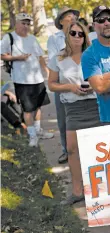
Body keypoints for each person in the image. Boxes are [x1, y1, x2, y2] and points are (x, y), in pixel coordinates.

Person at [48, 22, 100, 206]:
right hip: (73, 108)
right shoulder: (58, 58)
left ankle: (98, 189)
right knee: (72, 149)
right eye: (73, 33)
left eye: (81, 34)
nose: (77, 37)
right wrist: (70, 87)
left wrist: (95, 86)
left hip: (96, 105)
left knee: (97, 148)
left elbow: (104, 78)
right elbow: (52, 84)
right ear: (67, 35)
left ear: (85, 36)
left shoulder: (93, 54)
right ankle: (77, 191)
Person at [1, 13, 53, 147]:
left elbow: (40, 56)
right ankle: (32, 136)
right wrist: (17, 58)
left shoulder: (32, 38)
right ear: (17, 23)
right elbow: (2, 55)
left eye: (28, 24)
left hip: (37, 79)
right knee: (28, 109)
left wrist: (47, 71)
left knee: (38, 106)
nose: (25, 26)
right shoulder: (9, 37)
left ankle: (38, 130)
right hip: (21, 80)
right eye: (23, 23)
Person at [47, 6, 79, 163]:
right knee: (63, 119)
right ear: (61, 21)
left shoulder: (81, 33)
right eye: (68, 16)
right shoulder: (54, 39)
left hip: (81, 81)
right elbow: (55, 60)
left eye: (74, 15)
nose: (72, 17)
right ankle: (66, 150)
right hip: (62, 82)